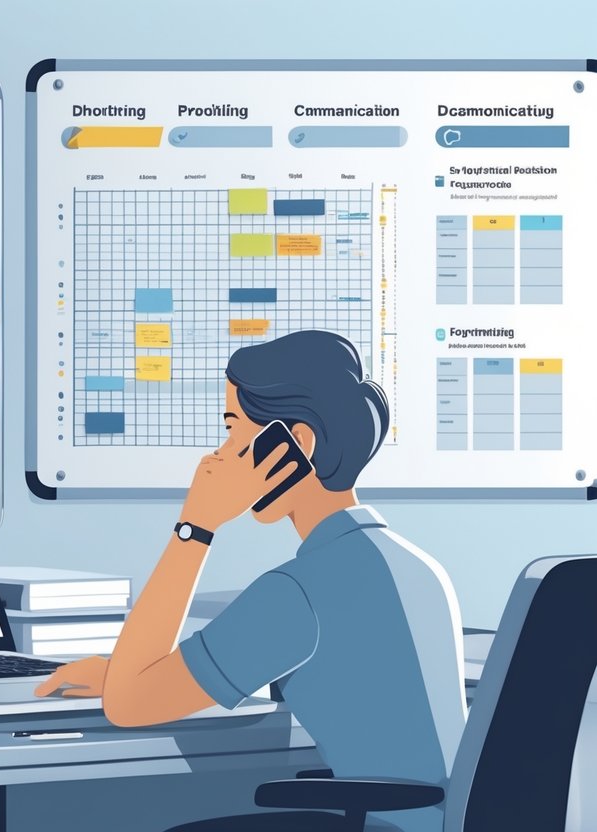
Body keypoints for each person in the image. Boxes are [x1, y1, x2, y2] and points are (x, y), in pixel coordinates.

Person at [36, 330, 466, 832]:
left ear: (296, 442)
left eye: (234, 429)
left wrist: (197, 524)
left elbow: (129, 704)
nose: (216, 457)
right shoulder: (417, 566)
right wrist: (125, 675)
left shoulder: (300, 591)